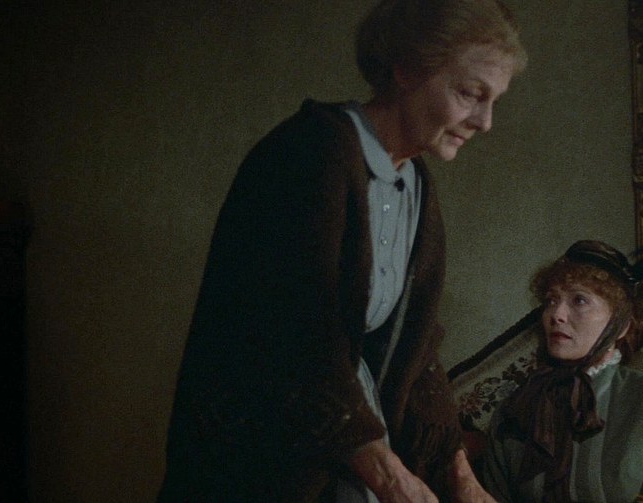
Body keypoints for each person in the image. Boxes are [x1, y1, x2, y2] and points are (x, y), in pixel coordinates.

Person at [157, 0, 527, 501]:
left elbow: (417, 349)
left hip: (349, 460)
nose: (485, 122)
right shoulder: (309, 153)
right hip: (265, 465)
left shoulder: (416, 184)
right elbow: (292, 340)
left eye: (494, 101)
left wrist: (458, 475)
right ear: (405, 69)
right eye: (470, 94)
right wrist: (391, 478)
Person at [478, 240, 643, 503]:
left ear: (621, 326)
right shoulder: (514, 408)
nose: (557, 314)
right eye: (551, 300)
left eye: (579, 300)